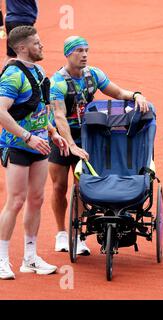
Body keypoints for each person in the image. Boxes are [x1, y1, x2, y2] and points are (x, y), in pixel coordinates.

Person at [49, 36, 149, 254]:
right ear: (67, 54)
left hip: (87, 136)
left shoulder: (93, 75)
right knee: (59, 186)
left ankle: (78, 235)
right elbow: (59, 116)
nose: (84, 55)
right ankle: (61, 234)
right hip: (61, 136)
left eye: (86, 50)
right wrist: (69, 144)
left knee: (82, 185)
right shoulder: (56, 82)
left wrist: (137, 95)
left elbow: (118, 93)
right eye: (79, 51)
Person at [0, 26, 68, 279]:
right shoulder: (12, 75)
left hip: (40, 144)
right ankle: (2, 258)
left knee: (36, 200)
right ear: (21, 48)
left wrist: (52, 133)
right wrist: (27, 137)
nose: (42, 46)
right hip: (18, 145)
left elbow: (39, 110)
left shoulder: (39, 71)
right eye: (37, 43)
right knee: (16, 201)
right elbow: (1, 112)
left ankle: (30, 258)